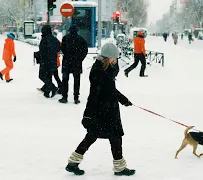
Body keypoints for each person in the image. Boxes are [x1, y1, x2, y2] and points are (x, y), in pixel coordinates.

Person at [65, 43, 135, 176]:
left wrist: (123, 99)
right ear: (107, 57)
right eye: (114, 58)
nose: (115, 61)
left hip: (108, 110)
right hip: (102, 111)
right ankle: (118, 168)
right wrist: (87, 115)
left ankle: (73, 163)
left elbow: (111, 89)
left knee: (105, 137)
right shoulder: (99, 72)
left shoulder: (107, 69)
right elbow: (94, 94)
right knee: (103, 137)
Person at [59, 25, 88, 104]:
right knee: (77, 81)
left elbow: (62, 49)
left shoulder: (65, 38)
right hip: (77, 63)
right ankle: (76, 98)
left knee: (65, 80)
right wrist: (80, 58)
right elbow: (85, 50)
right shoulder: (81, 40)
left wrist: (67, 55)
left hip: (67, 62)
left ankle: (64, 97)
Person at [38, 25, 61, 98]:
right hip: (53, 61)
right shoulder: (54, 39)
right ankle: (47, 92)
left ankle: (53, 88)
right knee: (49, 76)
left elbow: (42, 51)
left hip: (45, 61)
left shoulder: (44, 39)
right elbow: (58, 49)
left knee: (42, 76)